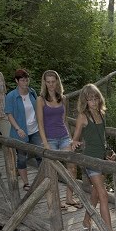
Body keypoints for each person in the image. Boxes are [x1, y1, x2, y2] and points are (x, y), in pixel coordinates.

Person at [72, 84, 116, 231]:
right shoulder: (83, 116)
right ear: (85, 100)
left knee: (96, 193)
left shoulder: (101, 114)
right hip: (90, 159)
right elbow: (76, 138)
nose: (94, 102)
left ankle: (86, 220)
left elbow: (102, 138)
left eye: (96, 98)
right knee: (103, 195)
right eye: (90, 99)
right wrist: (75, 143)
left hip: (102, 158)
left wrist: (110, 152)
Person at [36, 70, 80, 208]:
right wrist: (45, 143)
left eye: (53, 81)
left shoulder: (63, 98)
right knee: (52, 170)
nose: (50, 85)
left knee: (72, 167)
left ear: (57, 82)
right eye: (48, 82)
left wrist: (71, 139)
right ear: (44, 83)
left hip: (64, 136)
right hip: (50, 139)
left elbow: (64, 120)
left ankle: (69, 197)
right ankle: (56, 200)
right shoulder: (40, 99)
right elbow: (40, 123)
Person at [4, 69, 41, 191]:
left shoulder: (32, 92)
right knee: (21, 157)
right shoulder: (11, 96)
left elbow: (38, 109)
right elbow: (9, 114)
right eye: (22, 80)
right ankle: (26, 183)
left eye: (27, 80)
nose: (25, 82)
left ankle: (43, 179)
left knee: (41, 155)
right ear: (17, 81)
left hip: (35, 130)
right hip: (20, 131)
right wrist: (18, 128)